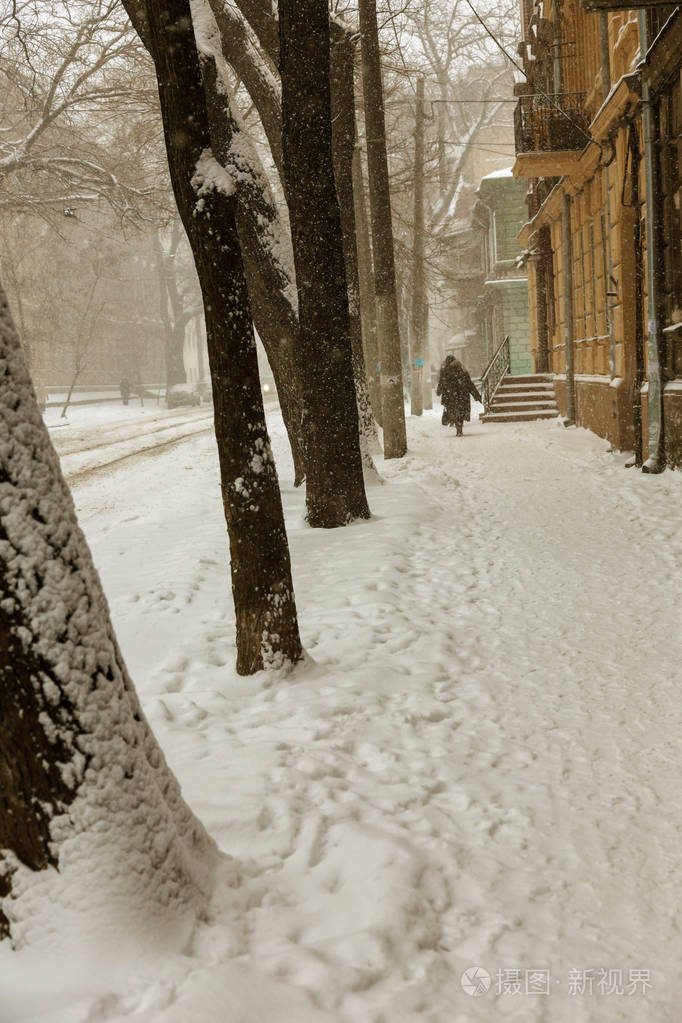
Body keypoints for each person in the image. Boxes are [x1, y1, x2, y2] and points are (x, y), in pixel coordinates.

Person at [436, 354, 482, 436]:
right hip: (462, 395)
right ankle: (459, 428)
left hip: (450, 396)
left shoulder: (445, 371)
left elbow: (441, 383)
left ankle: (457, 427)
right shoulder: (462, 370)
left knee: (454, 411)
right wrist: (477, 396)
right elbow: (469, 384)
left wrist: (439, 391)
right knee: (461, 411)